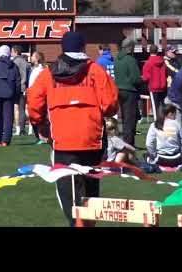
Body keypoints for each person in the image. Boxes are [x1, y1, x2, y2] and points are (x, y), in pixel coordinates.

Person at [28, 31, 118, 227]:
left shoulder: (48, 74)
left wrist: (42, 125)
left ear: (62, 49)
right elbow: (111, 104)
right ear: (83, 48)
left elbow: (34, 105)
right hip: (93, 140)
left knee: (68, 192)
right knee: (91, 190)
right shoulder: (95, 71)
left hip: (62, 143)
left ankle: (75, 223)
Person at [114, 38, 143, 147]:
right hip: (130, 91)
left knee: (125, 118)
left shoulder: (117, 59)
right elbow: (135, 78)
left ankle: (127, 142)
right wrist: (142, 79)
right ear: (130, 47)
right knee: (130, 120)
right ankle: (128, 145)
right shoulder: (130, 60)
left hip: (119, 90)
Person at [142, 44, 167, 121]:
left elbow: (146, 77)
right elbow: (166, 73)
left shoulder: (148, 63)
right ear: (157, 51)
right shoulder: (163, 62)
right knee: (162, 105)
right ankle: (164, 120)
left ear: (150, 51)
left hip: (153, 87)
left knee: (155, 106)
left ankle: (157, 122)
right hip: (163, 86)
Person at [27, 51, 46, 144]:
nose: (31, 57)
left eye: (33, 56)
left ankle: (42, 136)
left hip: (38, 95)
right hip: (31, 94)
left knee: (39, 116)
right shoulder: (33, 68)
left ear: (37, 58)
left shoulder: (41, 69)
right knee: (33, 116)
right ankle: (39, 136)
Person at [11, 45, 30, 136]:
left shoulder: (14, 62)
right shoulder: (26, 63)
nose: (11, 53)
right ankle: (22, 129)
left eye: (12, 51)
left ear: (16, 52)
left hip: (16, 87)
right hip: (24, 87)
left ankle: (18, 128)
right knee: (22, 108)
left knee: (16, 108)